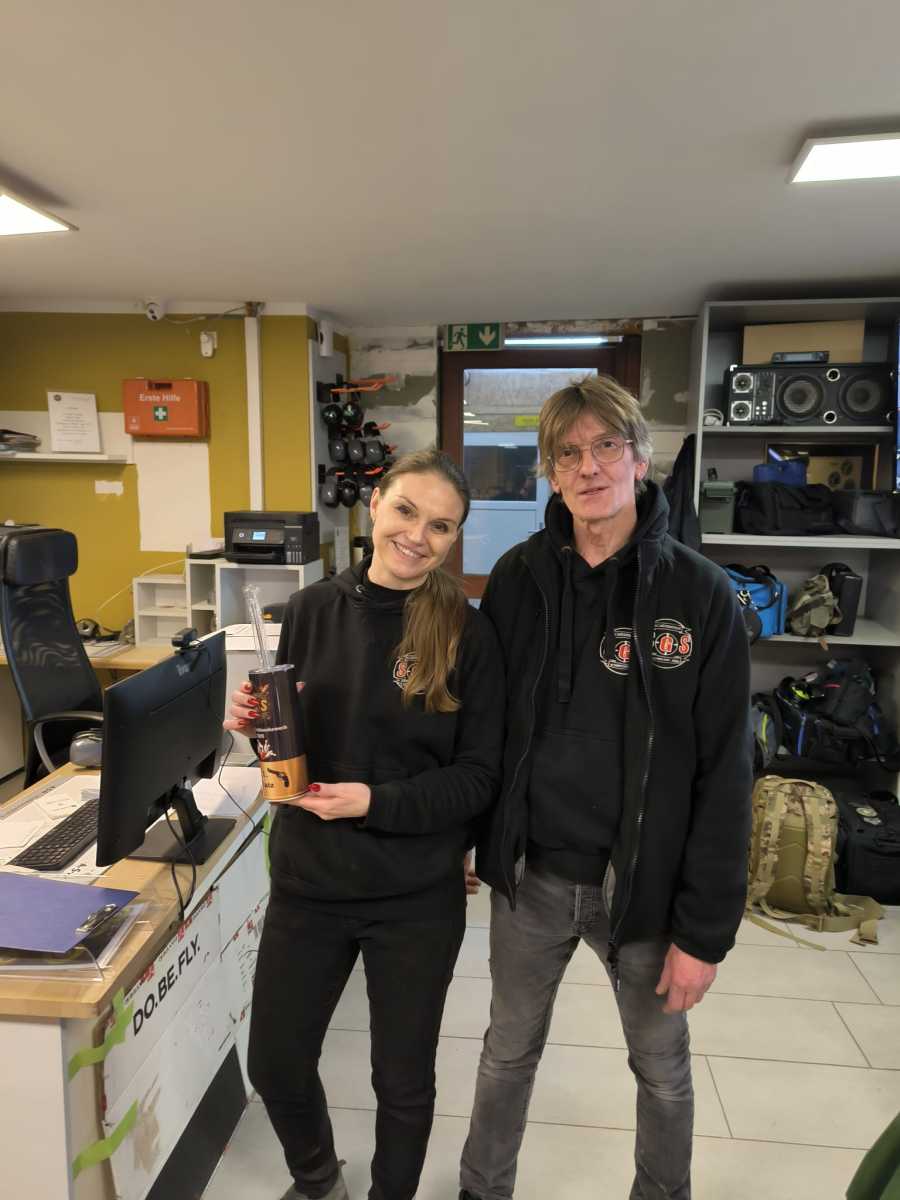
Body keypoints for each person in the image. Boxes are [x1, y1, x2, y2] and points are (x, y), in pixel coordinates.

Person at [459, 375, 752, 1200]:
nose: (588, 467)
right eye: (568, 453)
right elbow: (482, 728)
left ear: (640, 459)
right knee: (506, 1053)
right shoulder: (516, 579)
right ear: (551, 474)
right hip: (533, 880)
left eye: (606, 446)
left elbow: (726, 773)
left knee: (661, 1069)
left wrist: (705, 934)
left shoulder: (701, 594)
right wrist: (474, 842)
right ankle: (481, 1189)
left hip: (647, 889)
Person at [225, 449, 504, 1200]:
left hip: (414, 894)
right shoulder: (312, 609)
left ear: (454, 539)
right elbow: (294, 741)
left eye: (441, 526)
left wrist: (373, 802)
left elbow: (478, 779)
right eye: (406, 510)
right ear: (375, 505)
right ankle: (319, 1181)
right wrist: (258, 726)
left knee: (401, 1081)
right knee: (276, 1063)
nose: (418, 535)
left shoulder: (467, 634)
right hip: (310, 879)